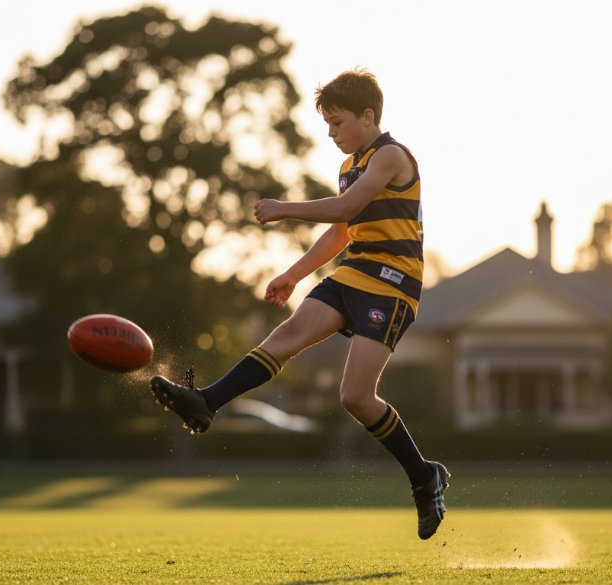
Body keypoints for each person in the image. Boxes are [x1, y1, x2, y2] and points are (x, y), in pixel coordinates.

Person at [150, 68, 449, 540]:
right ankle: (204, 403)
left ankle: (423, 476)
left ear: (368, 116)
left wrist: (284, 208)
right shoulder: (353, 164)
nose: (331, 133)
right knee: (285, 336)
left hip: (392, 283)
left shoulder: (390, 156)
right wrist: (293, 274)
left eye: (337, 122)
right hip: (353, 271)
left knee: (354, 397)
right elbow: (341, 232)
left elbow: (346, 209)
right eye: (327, 124)